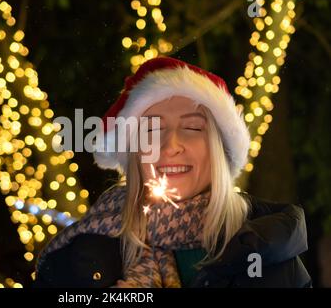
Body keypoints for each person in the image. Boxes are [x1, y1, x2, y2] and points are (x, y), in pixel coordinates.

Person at [34, 57, 311, 288]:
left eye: (192, 128)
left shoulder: (271, 258)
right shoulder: (79, 259)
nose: (171, 146)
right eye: (152, 131)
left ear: (219, 150)